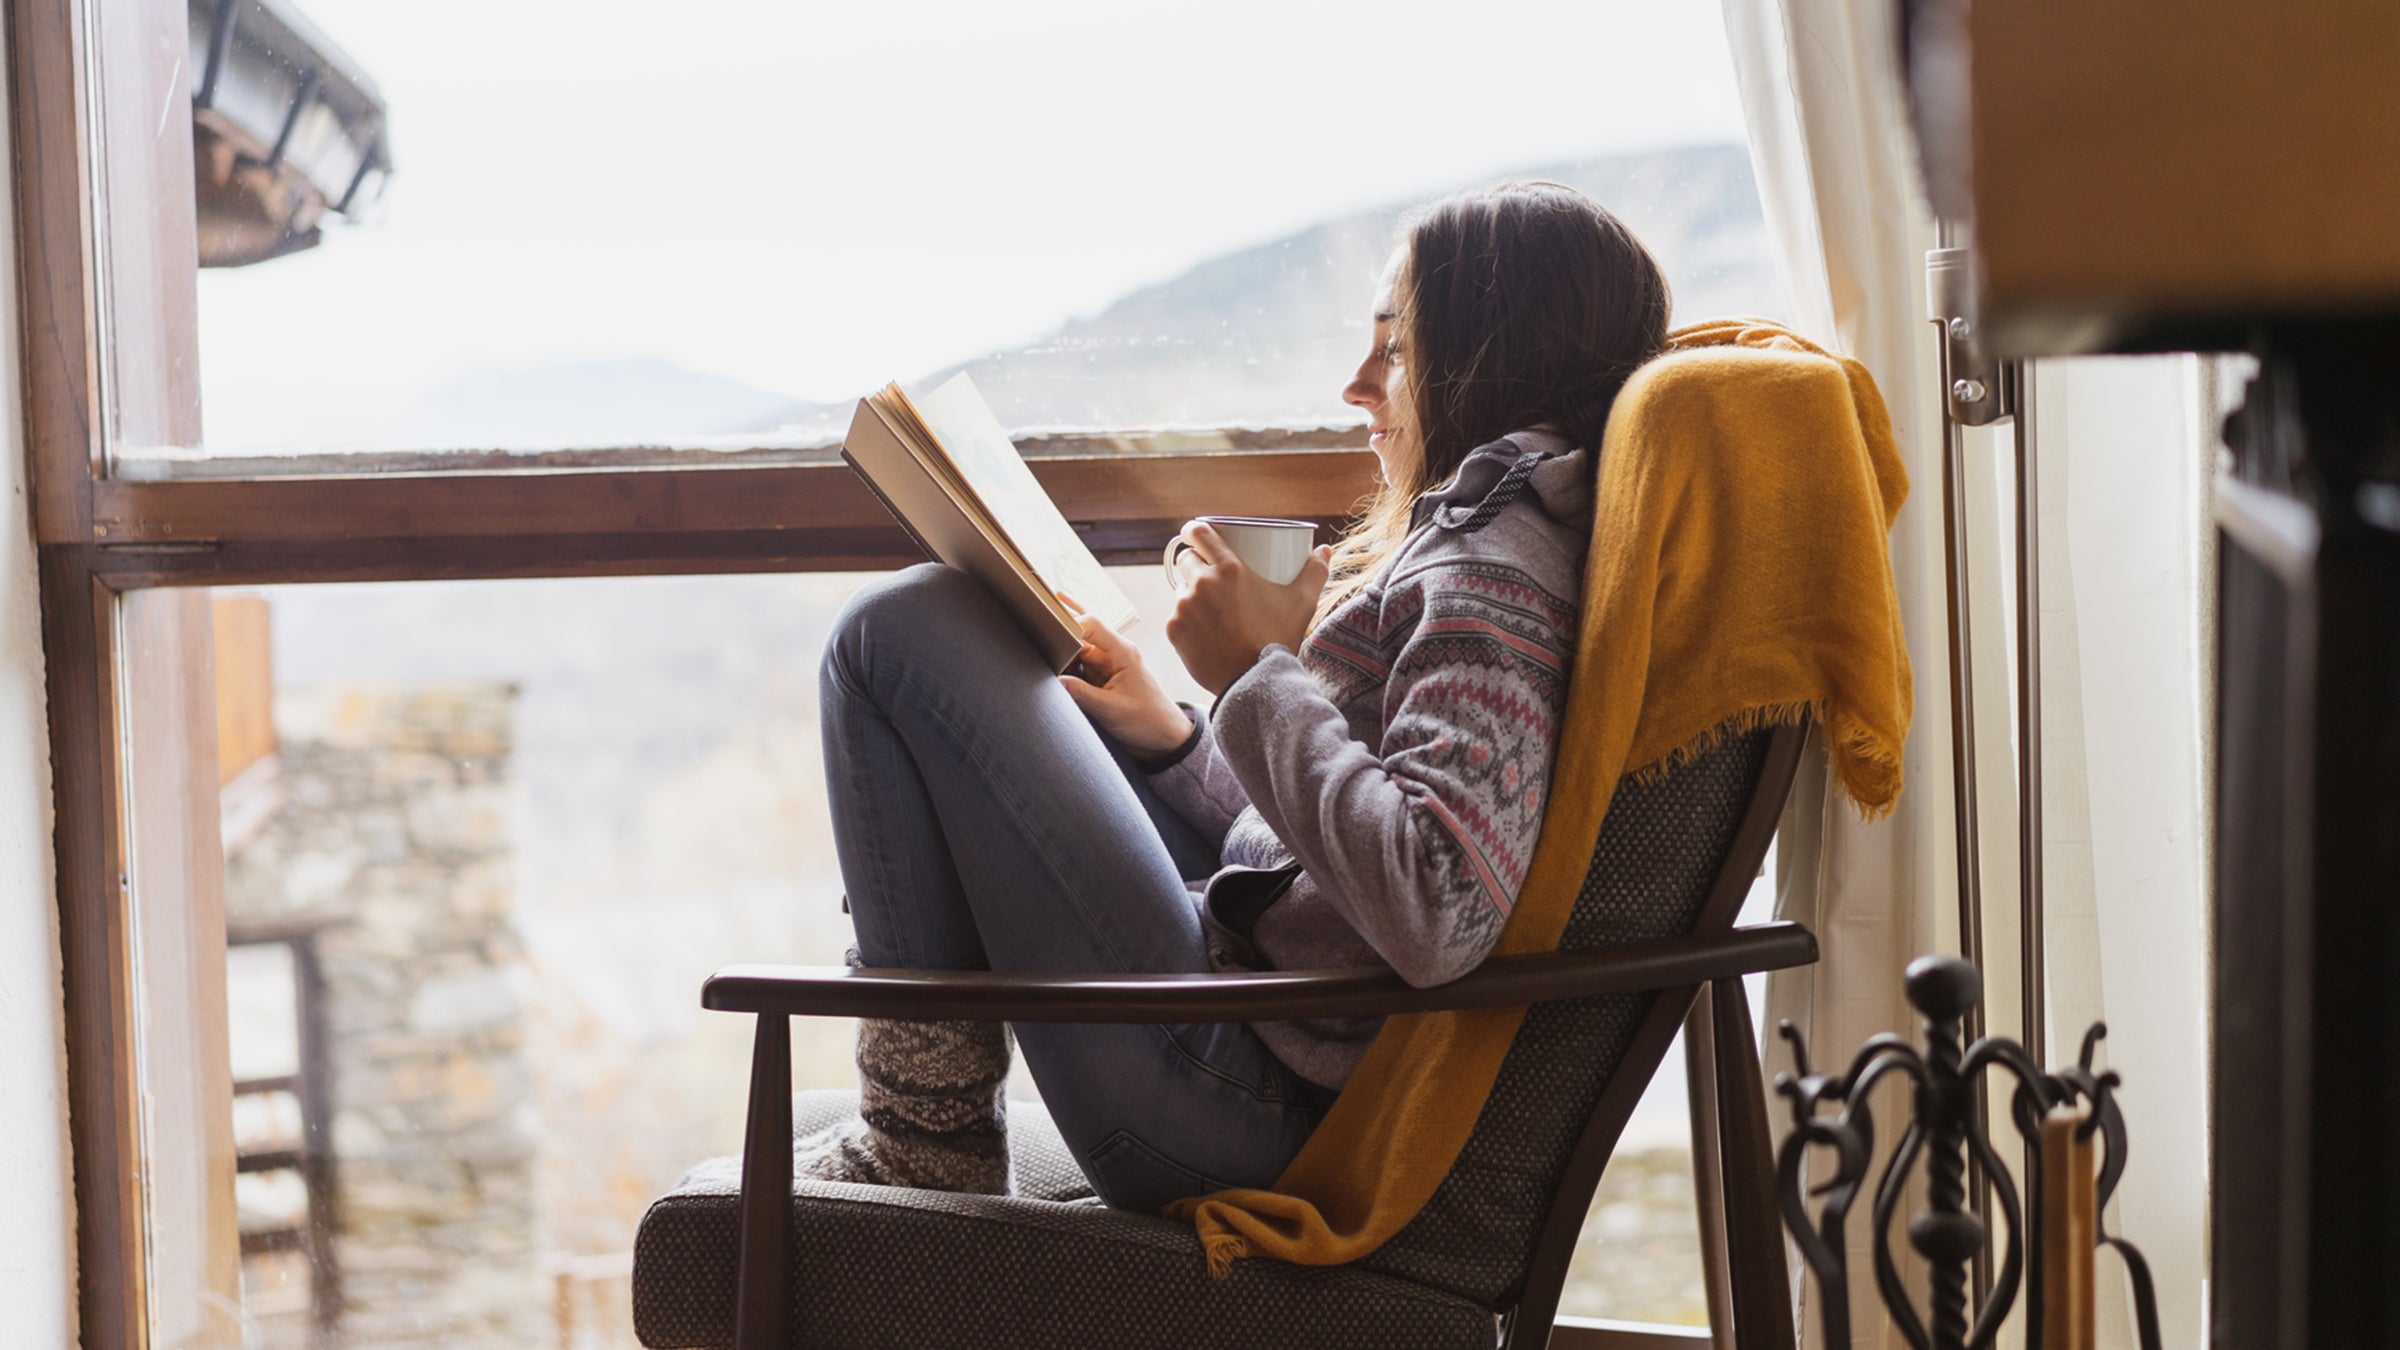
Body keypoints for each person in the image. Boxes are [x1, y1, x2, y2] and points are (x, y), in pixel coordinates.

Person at [800, 181, 1673, 1213]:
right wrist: (1176, 741)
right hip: (1261, 1025)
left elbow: (1435, 904)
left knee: (896, 636)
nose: (1358, 386)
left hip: (1246, 1108)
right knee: (942, 629)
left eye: (1393, 350)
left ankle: (921, 1136)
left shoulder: (1492, 571)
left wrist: (1257, 675)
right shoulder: (1495, 534)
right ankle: (923, 1126)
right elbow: (1328, 864)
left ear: (1495, 354)